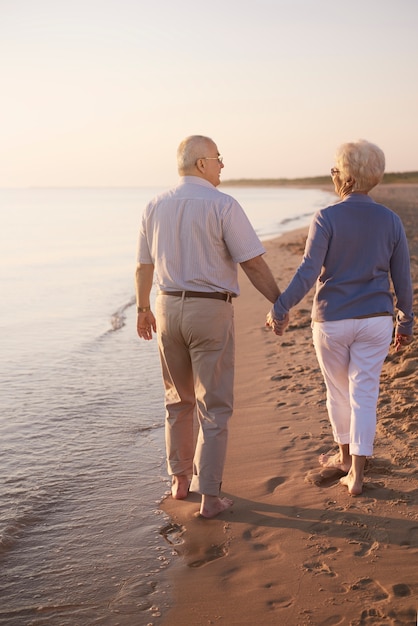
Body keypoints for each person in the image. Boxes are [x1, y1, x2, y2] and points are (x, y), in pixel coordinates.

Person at [135, 135, 282, 518]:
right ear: (201, 163)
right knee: (213, 407)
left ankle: (180, 481)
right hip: (209, 310)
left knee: (177, 400)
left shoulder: (155, 205)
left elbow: (143, 265)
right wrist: (280, 301)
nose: (222, 165)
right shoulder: (224, 205)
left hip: (166, 308)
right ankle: (211, 497)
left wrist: (141, 308)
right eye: (218, 159)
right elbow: (251, 262)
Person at [267, 139, 414, 496]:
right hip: (377, 320)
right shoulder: (391, 221)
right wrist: (405, 323)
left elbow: (308, 271)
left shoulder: (327, 217)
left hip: (332, 321)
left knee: (337, 392)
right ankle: (357, 476)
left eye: (335, 170)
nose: (333, 175)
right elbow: (403, 277)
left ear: (344, 176)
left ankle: (344, 457)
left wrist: (281, 307)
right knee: (365, 393)